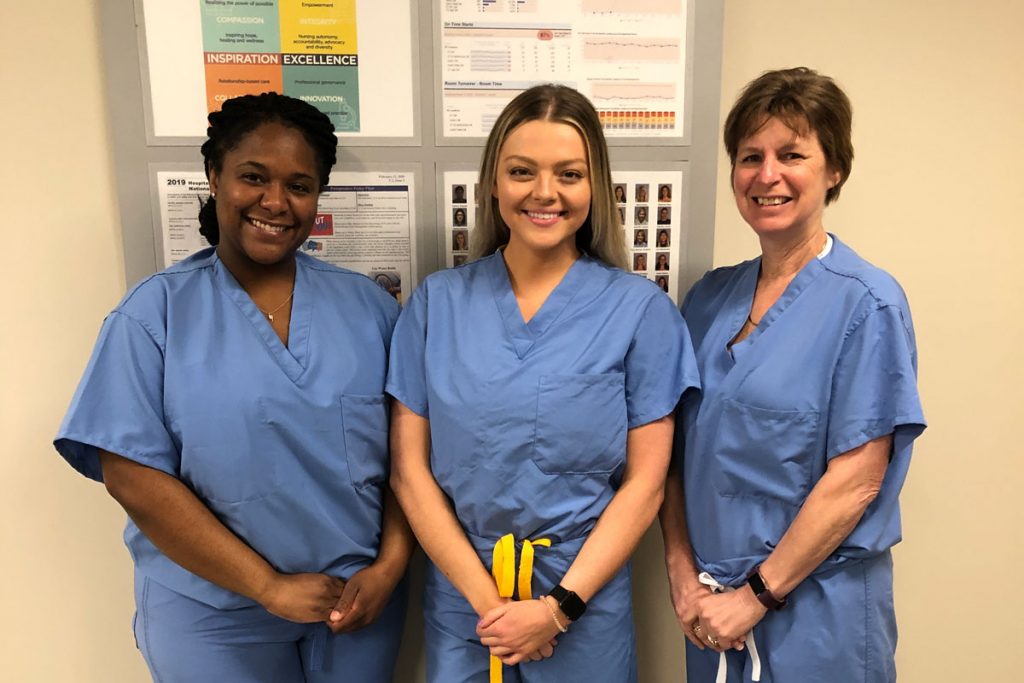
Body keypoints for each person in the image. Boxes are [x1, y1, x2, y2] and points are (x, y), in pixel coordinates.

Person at [54, 93, 414, 683]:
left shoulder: (371, 310)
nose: (275, 202)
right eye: (254, 177)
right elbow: (131, 475)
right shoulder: (154, 314)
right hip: (210, 610)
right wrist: (265, 585)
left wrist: (391, 567)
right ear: (214, 178)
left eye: (299, 185)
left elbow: (410, 455)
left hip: (355, 602)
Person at [387, 84, 699, 682]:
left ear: (595, 188)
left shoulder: (639, 312)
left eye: (569, 173)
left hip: (584, 602)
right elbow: (410, 472)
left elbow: (646, 484)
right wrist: (491, 608)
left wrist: (557, 610)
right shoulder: (436, 305)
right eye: (522, 171)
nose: (545, 192)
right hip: (467, 601)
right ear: (493, 184)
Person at [660, 67, 926, 682]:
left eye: (792, 154)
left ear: (834, 170)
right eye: (750, 156)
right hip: (709, 610)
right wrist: (680, 575)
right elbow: (670, 458)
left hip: (814, 616)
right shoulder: (708, 300)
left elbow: (857, 479)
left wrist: (753, 598)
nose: (767, 174)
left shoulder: (867, 303)